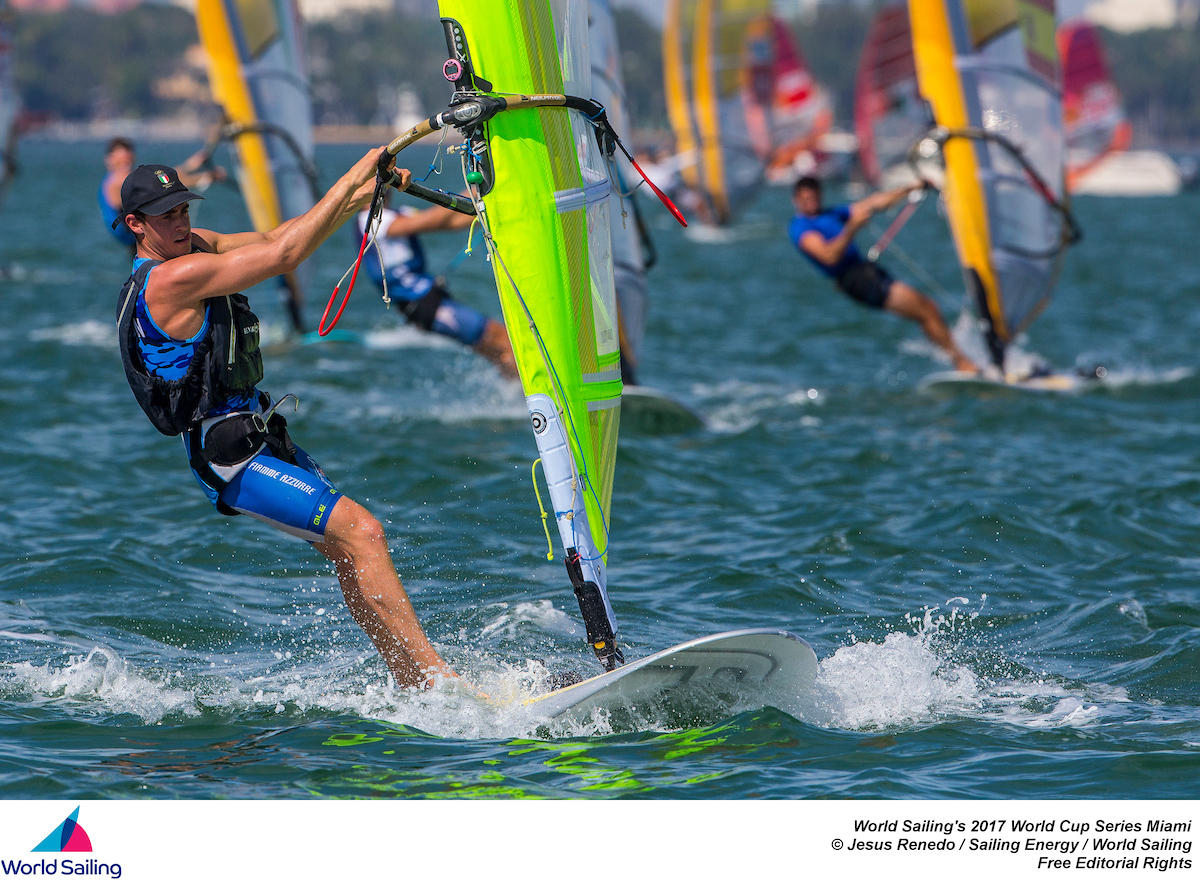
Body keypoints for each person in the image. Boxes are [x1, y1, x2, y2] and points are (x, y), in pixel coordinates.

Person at [113, 152, 455, 689]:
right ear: (136, 225)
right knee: (364, 531)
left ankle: (411, 681)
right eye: (165, 216)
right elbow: (286, 256)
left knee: (350, 549)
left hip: (258, 434)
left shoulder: (193, 245)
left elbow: (276, 234)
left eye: (182, 208)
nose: (179, 222)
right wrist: (355, 171)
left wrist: (360, 199)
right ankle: (441, 684)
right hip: (229, 455)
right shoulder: (170, 280)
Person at [789, 176, 978, 373]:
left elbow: (874, 202)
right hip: (856, 280)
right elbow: (829, 256)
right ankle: (963, 364)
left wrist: (912, 187)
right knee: (927, 310)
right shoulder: (801, 227)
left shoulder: (830, 213)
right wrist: (851, 227)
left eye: (813, 199)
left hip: (865, 271)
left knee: (928, 309)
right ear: (796, 200)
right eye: (804, 200)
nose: (810, 204)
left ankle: (959, 359)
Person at [355, 194, 516, 377]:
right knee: (499, 336)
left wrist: (484, 214)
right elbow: (429, 220)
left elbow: (448, 222)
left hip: (429, 298)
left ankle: (519, 393)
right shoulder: (370, 221)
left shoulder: (399, 214)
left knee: (492, 349)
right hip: (422, 305)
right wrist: (472, 193)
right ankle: (536, 391)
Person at [100, 137, 225, 253]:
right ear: (110, 159)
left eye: (129, 160)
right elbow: (161, 184)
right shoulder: (116, 182)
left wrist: (192, 164)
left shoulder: (114, 180)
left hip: (142, 238)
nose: (126, 165)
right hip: (143, 239)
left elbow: (162, 179)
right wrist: (206, 177)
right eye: (122, 161)